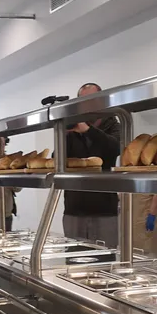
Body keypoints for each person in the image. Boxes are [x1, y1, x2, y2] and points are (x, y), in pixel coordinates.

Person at [62, 82, 121, 247]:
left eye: (92, 99)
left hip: (104, 209)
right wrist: (64, 134)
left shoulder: (114, 124)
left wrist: (88, 130)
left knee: (106, 256)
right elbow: (57, 160)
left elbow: (115, 148)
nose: (87, 105)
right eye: (82, 101)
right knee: (73, 258)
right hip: (74, 208)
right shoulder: (72, 129)